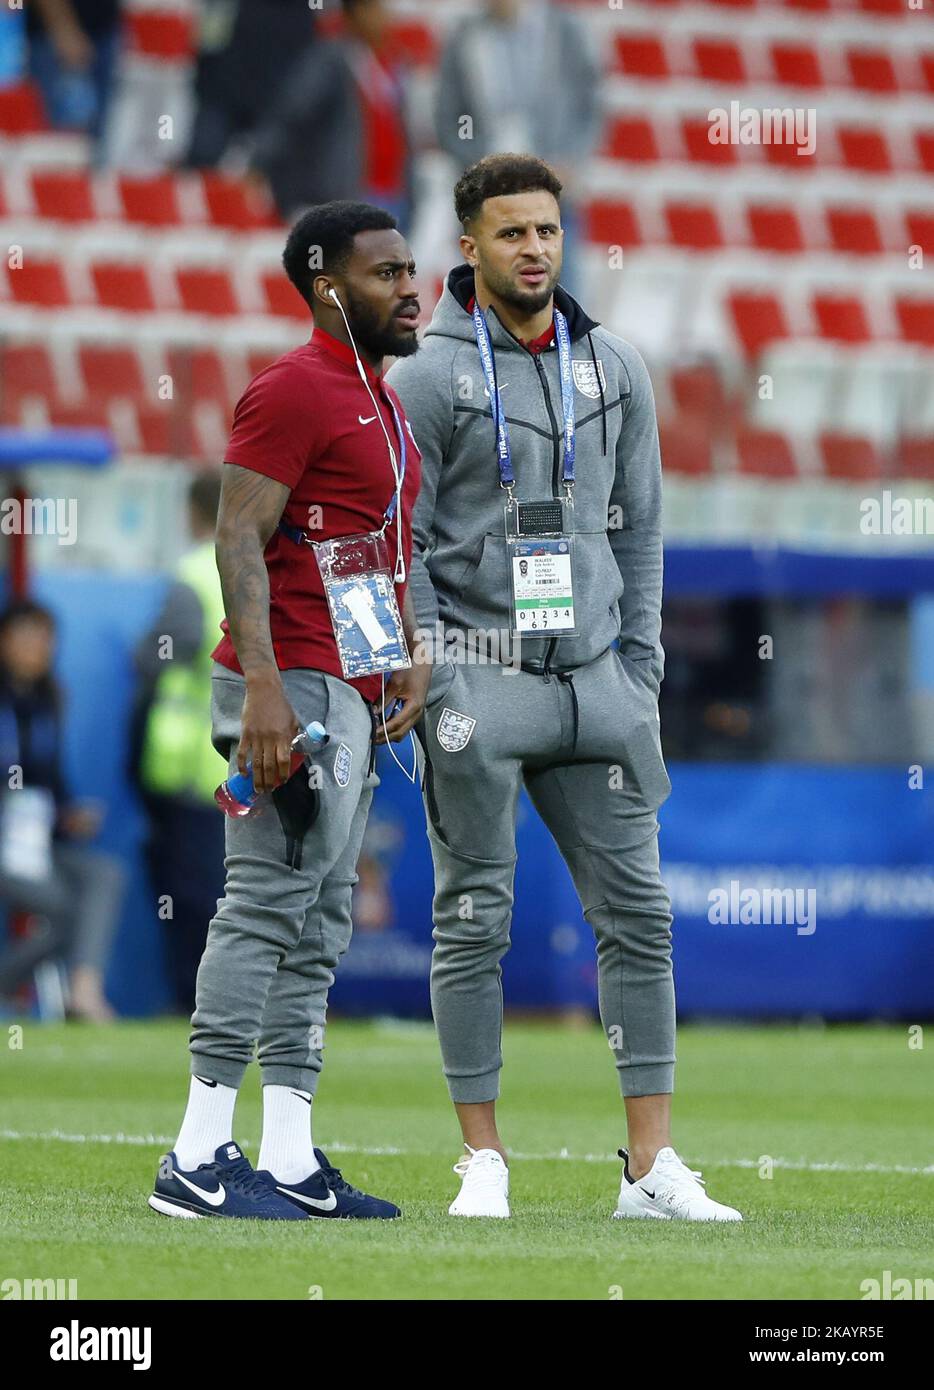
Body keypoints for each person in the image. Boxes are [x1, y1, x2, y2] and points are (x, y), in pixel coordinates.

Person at [388, 154, 742, 1222]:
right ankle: (483, 1159)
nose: (533, 248)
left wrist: (641, 666)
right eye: (510, 233)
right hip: (479, 679)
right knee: (473, 919)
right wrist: (428, 653)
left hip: (595, 683)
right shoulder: (427, 375)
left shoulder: (614, 364)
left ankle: (648, 1168)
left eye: (545, 229)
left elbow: (641, 531)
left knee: (640, 915)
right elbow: (397, 537)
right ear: (469, 247)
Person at [148, 200, 430, 1222]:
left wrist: (403, 654)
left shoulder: (382, 402)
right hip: (291, 686)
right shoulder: (295, 388)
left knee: (317, 919)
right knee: (268, 899)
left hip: (347, 680)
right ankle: (194, 1153)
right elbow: (238, 536)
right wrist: (262, 688)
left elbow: (361, 552)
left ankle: (291, 1155)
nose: (411, 288)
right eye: (387, 273)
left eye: (411, 270)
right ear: (327, 286)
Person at [0, 599, 124, 1021]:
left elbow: (49, 781)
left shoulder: (49, 698)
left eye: (46, 638)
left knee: (105, 875)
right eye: (28, 636)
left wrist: (67, 815)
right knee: (62, 909)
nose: (38, 647)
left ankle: (84, 989)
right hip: (6, 842)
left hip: (38, 842)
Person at [132, 472, 226, 1015]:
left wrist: (140, 657)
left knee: (192, 898)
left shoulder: (193, 572)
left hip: (192, 766)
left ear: (192, 513)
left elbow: (161, 654)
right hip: (246, 761)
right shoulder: (261, 563)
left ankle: (193, 1006)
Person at [434, 0, 599, 297]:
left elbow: (590, 107)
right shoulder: (464, 36)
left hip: (554, 190)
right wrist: (476, 168)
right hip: (487, 193)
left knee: (562, 294)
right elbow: (446, 118)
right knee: (482, 297)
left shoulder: (565, 32)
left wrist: (571, 161)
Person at [245, 0, 413, 225]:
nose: (383, 17)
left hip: (391, 191)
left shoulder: (392, 61)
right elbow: (291, 115)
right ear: (352, 14)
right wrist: (260, 162)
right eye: (373, 9)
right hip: (343, 193)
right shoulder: (328, 60)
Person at [25, 0, 122, 157]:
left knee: (99, 142)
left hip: (105, 31)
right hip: (54, 39)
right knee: (62, 147)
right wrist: (62, 28)